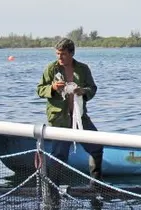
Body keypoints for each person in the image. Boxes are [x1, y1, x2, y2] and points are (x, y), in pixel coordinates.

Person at [36, 38, 104, 182]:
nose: (60, 57)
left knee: (96, 146)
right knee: (59, 155)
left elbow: (92, 88)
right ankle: (52, 188)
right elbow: (40, 90)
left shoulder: (83, 69)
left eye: (63, 54)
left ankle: (96, 184)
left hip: (80, 117)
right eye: (57, 54)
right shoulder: (51, 68)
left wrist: (83, 91)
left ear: (71, 53)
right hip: (59, 119)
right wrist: (53, 88)